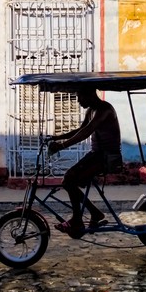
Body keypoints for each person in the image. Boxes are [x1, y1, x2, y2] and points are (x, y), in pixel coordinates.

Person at [47, 87, 122, 238]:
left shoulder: (104, 109)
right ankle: (93, 213)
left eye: (79, 96)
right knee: (69, 180)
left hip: (107, 157)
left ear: (89, 94)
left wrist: (62, 146)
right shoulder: (92, 110)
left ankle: (78, 219)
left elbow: (87, 132)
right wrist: (56, 137)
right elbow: (80, 129)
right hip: (97, 155)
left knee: (69, 180)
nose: (79, 101)